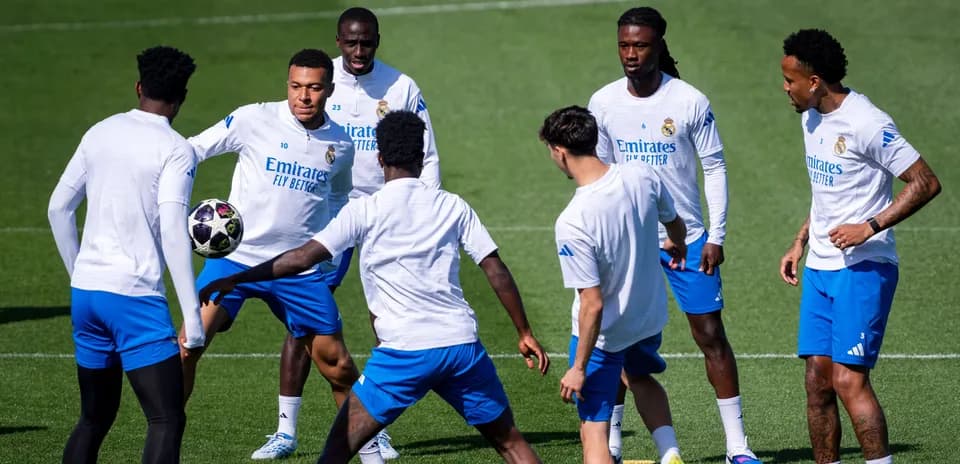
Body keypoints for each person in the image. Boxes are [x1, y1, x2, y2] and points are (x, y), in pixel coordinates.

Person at [199, 110, 549, 464]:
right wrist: (524, 332)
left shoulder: (364, 210)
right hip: (461, 348)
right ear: (422, 156)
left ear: (380, 158)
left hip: (403, 354)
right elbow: (495, 269)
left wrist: (235, 277)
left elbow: (300, 259)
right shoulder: (452, 205)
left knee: (335, 451)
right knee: (510, 444)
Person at [178, 48, 384, 463]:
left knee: (338, 366)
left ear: (329, 89)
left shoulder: (341, 145)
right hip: (234, 259)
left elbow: (340, 198)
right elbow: (191, 150)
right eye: (295, 87)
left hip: (296, 268)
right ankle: (165, 432)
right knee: (187, 344)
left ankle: (370, 453)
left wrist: (327, 251)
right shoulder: (254, 118)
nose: (302, 96)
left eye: (312, 88)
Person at [259, 7, 442, 460]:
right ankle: (285, 430)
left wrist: (423, 210)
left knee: (389, 320)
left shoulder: (401, 86)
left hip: (389, 213)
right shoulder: (321, 80)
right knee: (307, 316)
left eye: (368, 43)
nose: (359, 52)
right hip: (329, 215)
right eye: (351, 43)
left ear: (378, 40)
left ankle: (374, 429)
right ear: (338, 41)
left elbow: (428, 154)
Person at [586, 7, 761, 463]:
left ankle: (737, 448)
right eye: (624, 44)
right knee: (616, 339)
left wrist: (717, 235)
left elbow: (715, 166)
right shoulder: (603, 102)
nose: (630, 53)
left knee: (710, 334)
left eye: (640, 45)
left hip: (689, 241)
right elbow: (599, 175)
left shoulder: (689, 101)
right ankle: (614, 445)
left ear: (658, 46)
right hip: (629, 243)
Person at [778, 29, 941, 464]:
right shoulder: (810, 117)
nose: (785, 88)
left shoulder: (868, 122)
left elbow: (925, 182)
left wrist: (870, 226)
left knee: (849, 381)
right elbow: (826, 191)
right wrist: (801, 239)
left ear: (815, 81)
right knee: (817, 380)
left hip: (864, 266)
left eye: (791, 79)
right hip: (821, 266)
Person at [48, 45, 202, 464]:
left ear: (139, 87)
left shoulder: (100, 131)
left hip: (87, 296)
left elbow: (58, 208)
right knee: (166, 419)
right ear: (181, 97)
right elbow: (173, 229)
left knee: (93, 418)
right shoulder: (176, 148)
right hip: (134, 300)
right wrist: (192, 315)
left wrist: (79, 273)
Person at [543, 106, 687, 464]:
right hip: (647, 319)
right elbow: (675, 223)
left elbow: (592, 303)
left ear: (560, 151)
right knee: (639, 376)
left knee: (593, 430)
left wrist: (578, 368)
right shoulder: (642, 174)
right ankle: (670, 455)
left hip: (605, 336)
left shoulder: (573, 220)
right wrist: (677, 244)